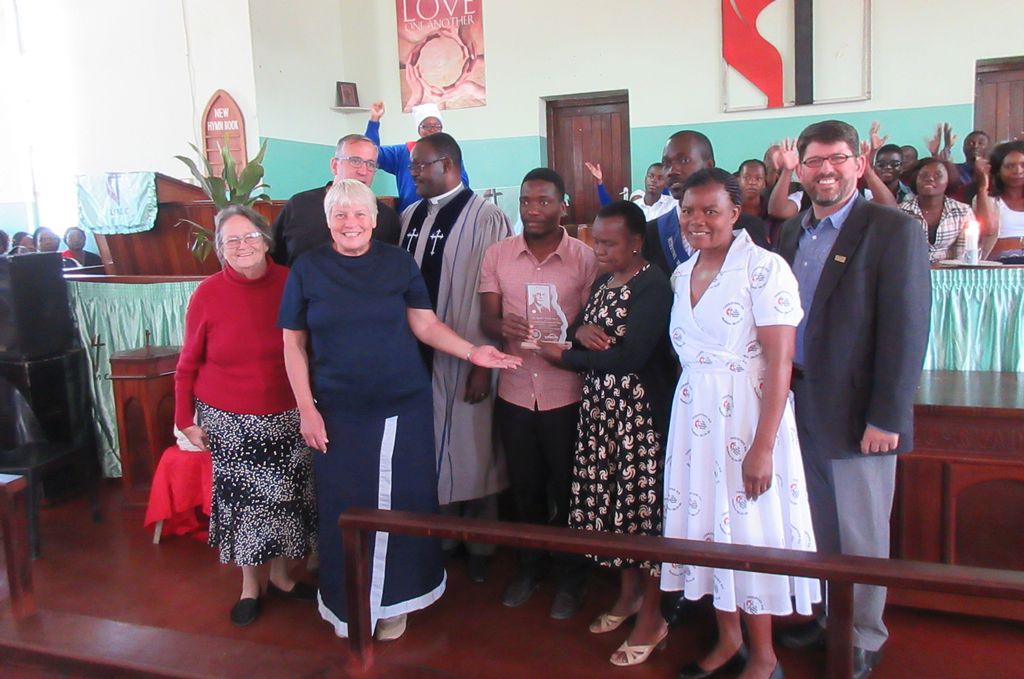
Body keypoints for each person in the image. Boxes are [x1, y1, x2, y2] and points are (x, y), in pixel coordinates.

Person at [279, 179, 519, 641]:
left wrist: (474, 353)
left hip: (400, 407)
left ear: (374, 218)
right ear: (328, 220)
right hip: (337, 410)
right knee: (345, 509)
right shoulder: (308, 269)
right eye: (341, 214)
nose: (351, 223)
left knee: (400, 505)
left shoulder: (397, 262)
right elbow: (293, 344)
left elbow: (424, 324)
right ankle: (350, 603)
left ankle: (395, 603)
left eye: (359, 213)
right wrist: (306, 409)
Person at [775, 120, 931, 679]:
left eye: (837, 159)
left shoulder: (890, 228)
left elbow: (906, 329)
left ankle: (863, 634)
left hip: (862, 413)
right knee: (817, 526)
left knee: (862, 533)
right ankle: (828, 616)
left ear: (858, 163)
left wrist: (888, 415)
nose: (826, 171)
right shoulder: (793, 232)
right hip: (800, 405)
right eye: (814, 161)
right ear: (800, 167)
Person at [661, 169, 818, 679]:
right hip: (694, 421)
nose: (697, 221)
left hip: (747, 420)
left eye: (711, 210)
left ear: (734, 212)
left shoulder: (763, 268)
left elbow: (780, 363)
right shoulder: (682, 273)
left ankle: (766, 655)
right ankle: (728, 639)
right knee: (707, 531)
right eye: (688, 210)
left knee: (749, 532)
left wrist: (764, 446)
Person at [534, 200, 674, 666]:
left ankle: (654, 616)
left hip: (637, 418)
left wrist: (566, 356)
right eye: (596, 240)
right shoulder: (601, 281)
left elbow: (630, 356)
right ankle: (628, 595)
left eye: (611, 243)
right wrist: (583, 332)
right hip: (600, 414)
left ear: (637, 242)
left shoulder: (653, 285)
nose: (600, 250)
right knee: (611, 507)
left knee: (641, 511)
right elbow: (580, 329)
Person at [174, 205, 319, 627]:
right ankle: (249, 587)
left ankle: (281, 579)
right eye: (231, 240)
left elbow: (310, 347)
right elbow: (187, 363)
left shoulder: (291, 282)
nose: (242, 246)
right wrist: (185, 418)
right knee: (245, 510)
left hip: (287, 414)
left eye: (250, 237)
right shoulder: (207, 293)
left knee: (287, 505)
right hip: (230, 421)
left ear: (265, 240)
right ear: (220, 249)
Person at [480, 167, 599, 619]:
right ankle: (530, 567)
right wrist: (501, 326)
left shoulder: (584, 258)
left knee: (568, 488)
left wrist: (569, 334)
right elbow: (487, 320)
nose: (533, 210)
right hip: (513, 390)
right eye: (527, 201)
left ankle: (572, 576)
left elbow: (592, 321)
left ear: (563, 205)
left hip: (565, 392)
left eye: (544, 201)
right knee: (525, 488)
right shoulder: (498, 254)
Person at [400, 132, 512, 583]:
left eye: (419, 166)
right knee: (430, 445)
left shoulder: (487, 218)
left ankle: (482, 544)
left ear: (447, 164)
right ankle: (443, 536)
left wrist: (483, 363)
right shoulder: (409, 215)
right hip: (416, 356)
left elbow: (497, 297)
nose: (413, 174)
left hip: (469, 353)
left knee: (474, 446)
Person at [645, 130, 770, 276]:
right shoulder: (652, 232)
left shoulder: (748, 227)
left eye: (684, 160)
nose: (672, 170)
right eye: (666, 164)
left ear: (709, 166)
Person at [270, 133, 400, 265]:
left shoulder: (386, 216)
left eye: (371, 164)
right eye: (355, 161)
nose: (363, 171)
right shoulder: (299, 206)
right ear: (334, 165)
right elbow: (273, 257)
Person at [366, 101, 471, 212]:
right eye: (426, 126)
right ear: (419, 130)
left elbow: (462, 185)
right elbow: (370, 153)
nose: (432, 130)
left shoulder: (449, 153)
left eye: (437, 126)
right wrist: (374, 120)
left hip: (446, 213)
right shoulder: (402, 153)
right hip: (411, 217)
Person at [898, 157, 984, 262]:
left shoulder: (962, 211)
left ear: (948, 180)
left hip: (949, 273)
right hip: (911, 271)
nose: (930, 179)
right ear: (915, 180)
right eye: (924, 175)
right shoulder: (900, 212)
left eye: (938, 175)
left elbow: (963, 253)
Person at [585, 161, 675, 221]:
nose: (654, 180)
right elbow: (609, 206)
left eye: (660, 178)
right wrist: (600, 182)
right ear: (645, 179)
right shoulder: (634, 208)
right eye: (651, 176)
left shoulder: (672, 205)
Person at [980, 140, 1024, 258]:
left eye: (1023, 165)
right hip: (999, 264)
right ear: (998, 171)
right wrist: (982, 186)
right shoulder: (988, 197)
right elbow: (988, 229)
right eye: (1010, 166)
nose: (1018, 171)